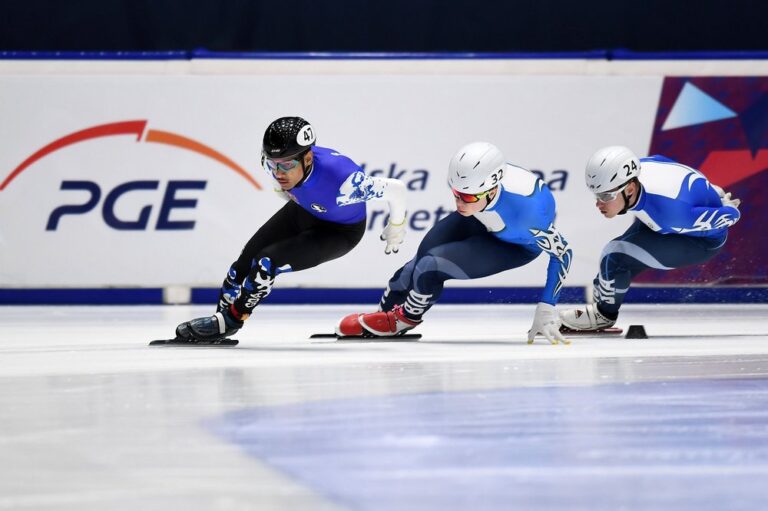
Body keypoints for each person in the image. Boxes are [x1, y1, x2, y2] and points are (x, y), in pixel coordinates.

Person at [174, 116, 407, 342]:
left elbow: (397, 189)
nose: (278, 173)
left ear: (308, 159)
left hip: (340, 232)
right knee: (241, 267)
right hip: (305, 213)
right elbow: (285, 179)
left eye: (286, 165)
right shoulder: (281, 166)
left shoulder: (346, 182)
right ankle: (219, 319)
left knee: (266, 264)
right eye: (272, 164)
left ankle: (232, 321)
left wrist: (396, 227)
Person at [336, 141, 573, 344]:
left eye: (467, 196)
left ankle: (404, 319)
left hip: (514, 245)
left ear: (492, 190)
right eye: (455, 193)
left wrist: (547, 306)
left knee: (430, 266)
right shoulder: (476, 189)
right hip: (481, 218)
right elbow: (467, 202)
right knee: (414, 264)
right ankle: (384, 314)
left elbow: (564, 252)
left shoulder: (528, 217)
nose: (459, 203)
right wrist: (470, 200)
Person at [559, 146, 741, 331]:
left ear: (630, 189)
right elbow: (667, 163)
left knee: (614, 255)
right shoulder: (641, 167)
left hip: (699, 242)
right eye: (597, 195)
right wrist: (708, 190)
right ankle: (606, 297)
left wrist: (725, 206)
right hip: (669, 215)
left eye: (606, 195)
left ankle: (604, 315)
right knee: (615, 261)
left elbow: (731, 217)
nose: (599, 203)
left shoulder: (670, 215)